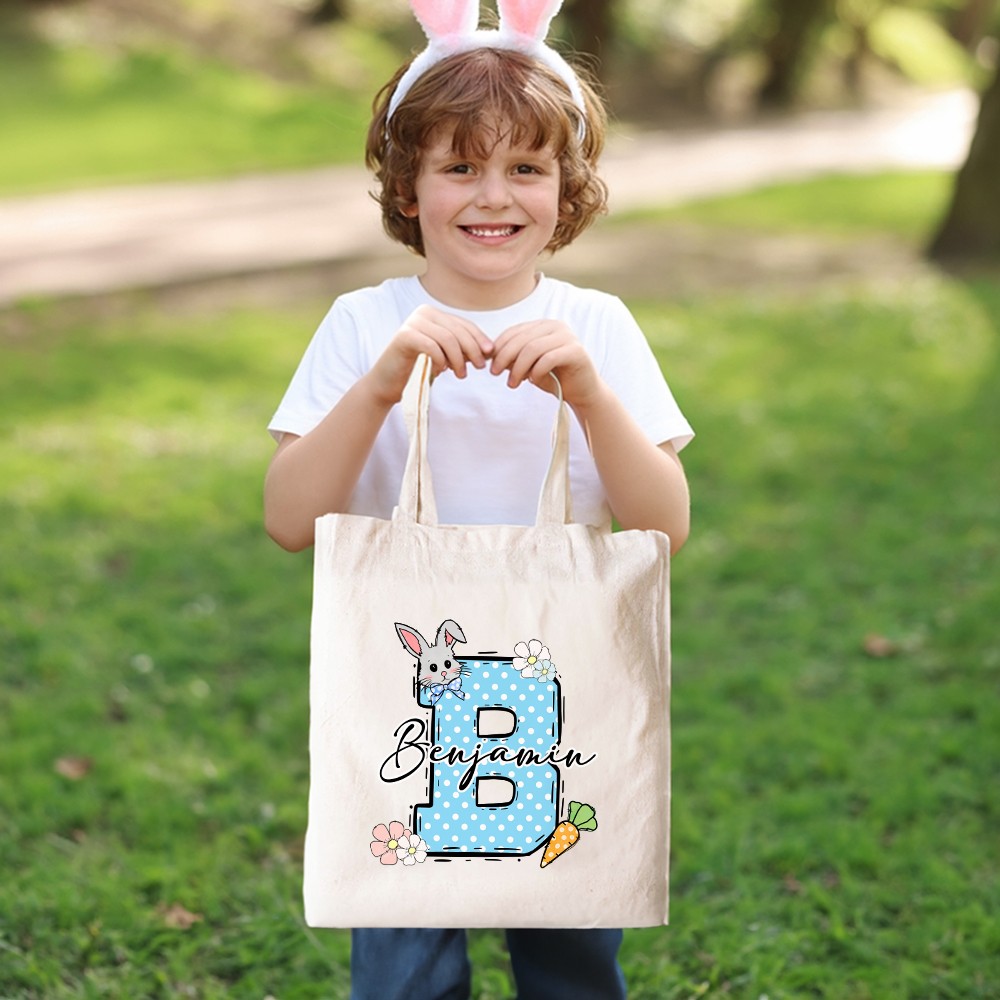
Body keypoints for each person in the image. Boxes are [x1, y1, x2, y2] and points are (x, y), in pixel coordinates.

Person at [263, 2, 693, 997]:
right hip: (400, 677)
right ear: (407, 188)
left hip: (565, 665)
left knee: (570, 930)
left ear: (566, 189)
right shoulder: (362, 322)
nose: (492, 195)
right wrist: (379, 383)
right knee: (403, 939)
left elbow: (663, 524)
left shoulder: (597, 327)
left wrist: (588, 393)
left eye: (525, 168)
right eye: (458, 166)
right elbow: (289, 519)